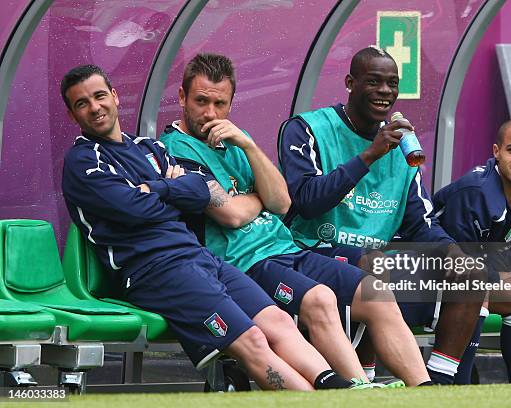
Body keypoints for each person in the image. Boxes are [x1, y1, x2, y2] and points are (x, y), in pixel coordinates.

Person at [60, 64, 365, 391]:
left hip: (202, 257)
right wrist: (173, 191)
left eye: (99, 96)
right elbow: (136, 207)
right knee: (253, 340)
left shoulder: (150, 149)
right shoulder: (83, 161)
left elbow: (203, 192)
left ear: (115, 97)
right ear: (72, 114)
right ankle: (317, 398)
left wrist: (160, 189)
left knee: (280, 319)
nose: (94, 108)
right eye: (82, 103)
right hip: (157, 270)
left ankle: (343, 387)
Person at [160, 53, 432, 387]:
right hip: (241, 262)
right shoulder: (174, 150)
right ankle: (361, 389)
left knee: (375, 292)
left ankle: (426, 391)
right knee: (320, 299)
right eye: (201, 101)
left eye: (220, 103)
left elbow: (281, 201)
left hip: (284, 248)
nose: (211, 114)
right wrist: (258, 199)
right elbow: (230, 215)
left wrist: (246, 144)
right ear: (182, 98)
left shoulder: (233, 140)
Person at [278, 46, 487, 385]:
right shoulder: (306, 129)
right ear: (350, 82)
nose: (385, 91)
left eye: (392, 83)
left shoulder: (403, 146)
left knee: (470, 273)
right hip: (307, 251)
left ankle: (442, 385)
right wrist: (371, 154)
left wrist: (455, 254)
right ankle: (368, 377)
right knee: (378, 264)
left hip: (372, 260)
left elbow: (419, 224)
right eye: (373, 81)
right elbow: (305, 201)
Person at [433, 118, 511, 383]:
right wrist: (491, 274)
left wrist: (493, 273)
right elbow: (458, 265)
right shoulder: (475, 191)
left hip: (471, 274)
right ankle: (456, 386)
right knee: (477, 289)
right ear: (496, 152)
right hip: (420, 269)